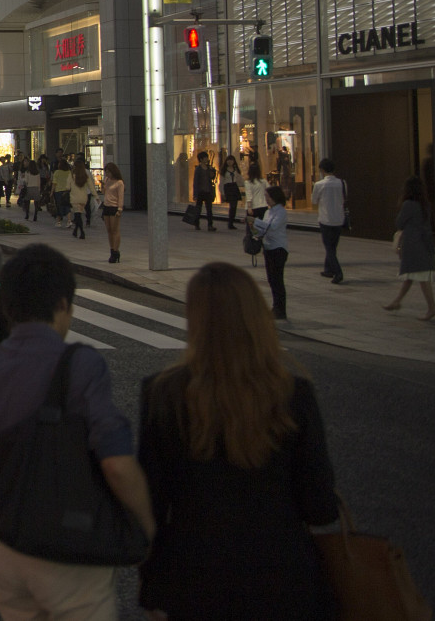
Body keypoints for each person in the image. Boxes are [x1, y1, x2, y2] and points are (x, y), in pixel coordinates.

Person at [0, 243, 156, 621]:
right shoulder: (79, 364)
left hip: (4, 540)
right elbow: (116, 463)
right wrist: (147, 529)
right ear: (64, 304)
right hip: (67, 547)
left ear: (8, 307)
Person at [138, 262, 339, 621]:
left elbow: (149, 504)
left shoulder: (163, 394)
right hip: (282, 581)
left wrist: (152, 582)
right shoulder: (293, 395)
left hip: (194, 581)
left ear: (195, 321)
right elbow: (321, 508)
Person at [384, 176, 435, 321]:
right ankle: (397, 301)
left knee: (421, 277)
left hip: (414, 246)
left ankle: (432, 307)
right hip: (425, 245)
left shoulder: (408, 205)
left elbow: (399, 223)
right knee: (411, 276)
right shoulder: (425, 205)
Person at [252, 187, 290, 320]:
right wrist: (254, 229)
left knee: (277, 280)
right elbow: (263, 230)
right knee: (271, 279)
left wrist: (255, 221)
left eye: (268, 196)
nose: (266, 199)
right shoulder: (268, 212)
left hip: (278, 248)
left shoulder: (281, 211)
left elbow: (272, 227)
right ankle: (275, 306)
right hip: (268, 248)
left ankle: (281, 309)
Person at [312, 159, 346, 284]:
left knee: (329, 247)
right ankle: (328, 269)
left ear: (322, 170)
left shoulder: (319, 184)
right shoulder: (342, 183)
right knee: (333, 246)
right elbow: (344, 198)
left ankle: (338, 272)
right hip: (339, 218)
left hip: (326, 218)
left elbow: (314, 200)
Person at [102, 162, 124, 264]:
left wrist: (120, 209)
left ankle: (115, 251)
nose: (107, 174)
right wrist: (103, 186)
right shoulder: (106, 180)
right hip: (106, 206)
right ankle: (111, 249)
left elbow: (120, 196)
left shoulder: (119, 183)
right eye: (106, 172)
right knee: (109, 230)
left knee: (115, 230)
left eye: (108, 172)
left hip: (114, 207)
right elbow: (104, 192)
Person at [190, 151, 218, 231]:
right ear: (201, 159)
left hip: (208, 191)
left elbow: (212, 177)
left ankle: (210, 225)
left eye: (207, 157)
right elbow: (196, 182)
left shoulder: (209, 168)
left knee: (209, 209)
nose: (207, 159)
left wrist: (213, 171)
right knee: (198, 209)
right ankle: (197, 224)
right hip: (200, 192)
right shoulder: (198, 169)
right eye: (205, 157)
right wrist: (195, 194)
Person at [67, 163, 92, 240]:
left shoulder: (72, 175)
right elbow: (91, 184)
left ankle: (81, 231)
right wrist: (95, 195)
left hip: (75, 197)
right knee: (79, 214)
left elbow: (68, 187)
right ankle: (76, 230)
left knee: (77, 215)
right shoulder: (86, 173)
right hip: (84, 196)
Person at [220, 154, 244, 230]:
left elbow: (240, 179)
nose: (230, 162)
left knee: (234, 206)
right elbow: (221, 182)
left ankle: (231, 222)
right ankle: (230, 222)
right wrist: (222, 193)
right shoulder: (224, 171)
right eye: (228, 160)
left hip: (234, 187)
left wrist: (244, 184)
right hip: (228, 187)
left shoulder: (236, 170)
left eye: (231, 160)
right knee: (232, 205)